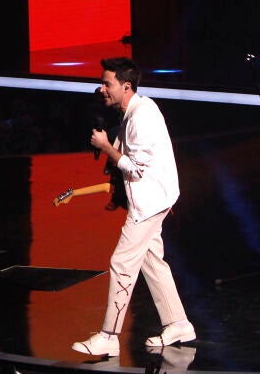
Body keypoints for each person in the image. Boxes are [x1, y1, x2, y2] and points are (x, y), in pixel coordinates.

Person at [73, 57, 193, 356]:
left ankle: (109, 336)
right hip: (153, 197)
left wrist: (105, 146)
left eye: (107, 84)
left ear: (126, 87)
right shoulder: (135, 111)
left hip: (150, 202)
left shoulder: (141, 117)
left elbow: (136, 169)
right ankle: (179, 323)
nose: (101, 89)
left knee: (122, 263)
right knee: (151, 261)